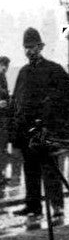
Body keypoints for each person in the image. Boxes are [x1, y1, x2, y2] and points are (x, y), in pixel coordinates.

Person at [10, 28, 69, 229]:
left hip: (47, 132)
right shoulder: (23, 72)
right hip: (28, 133)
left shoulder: (53, 69)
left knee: (50, 170)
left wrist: (55, 122)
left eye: (32, 47)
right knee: (30, 170)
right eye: (26, 48)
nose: (29, 51)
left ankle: (57, 208)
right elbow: (16, 103)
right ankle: (33, 206)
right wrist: (16, 133)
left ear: (40, 47)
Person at [0, 55, 17, 192]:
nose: (5, 68)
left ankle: (2, 175)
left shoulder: (3, 77)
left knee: (3, 149)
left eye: (6, 65)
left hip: (3, 119)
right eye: (3, 65)